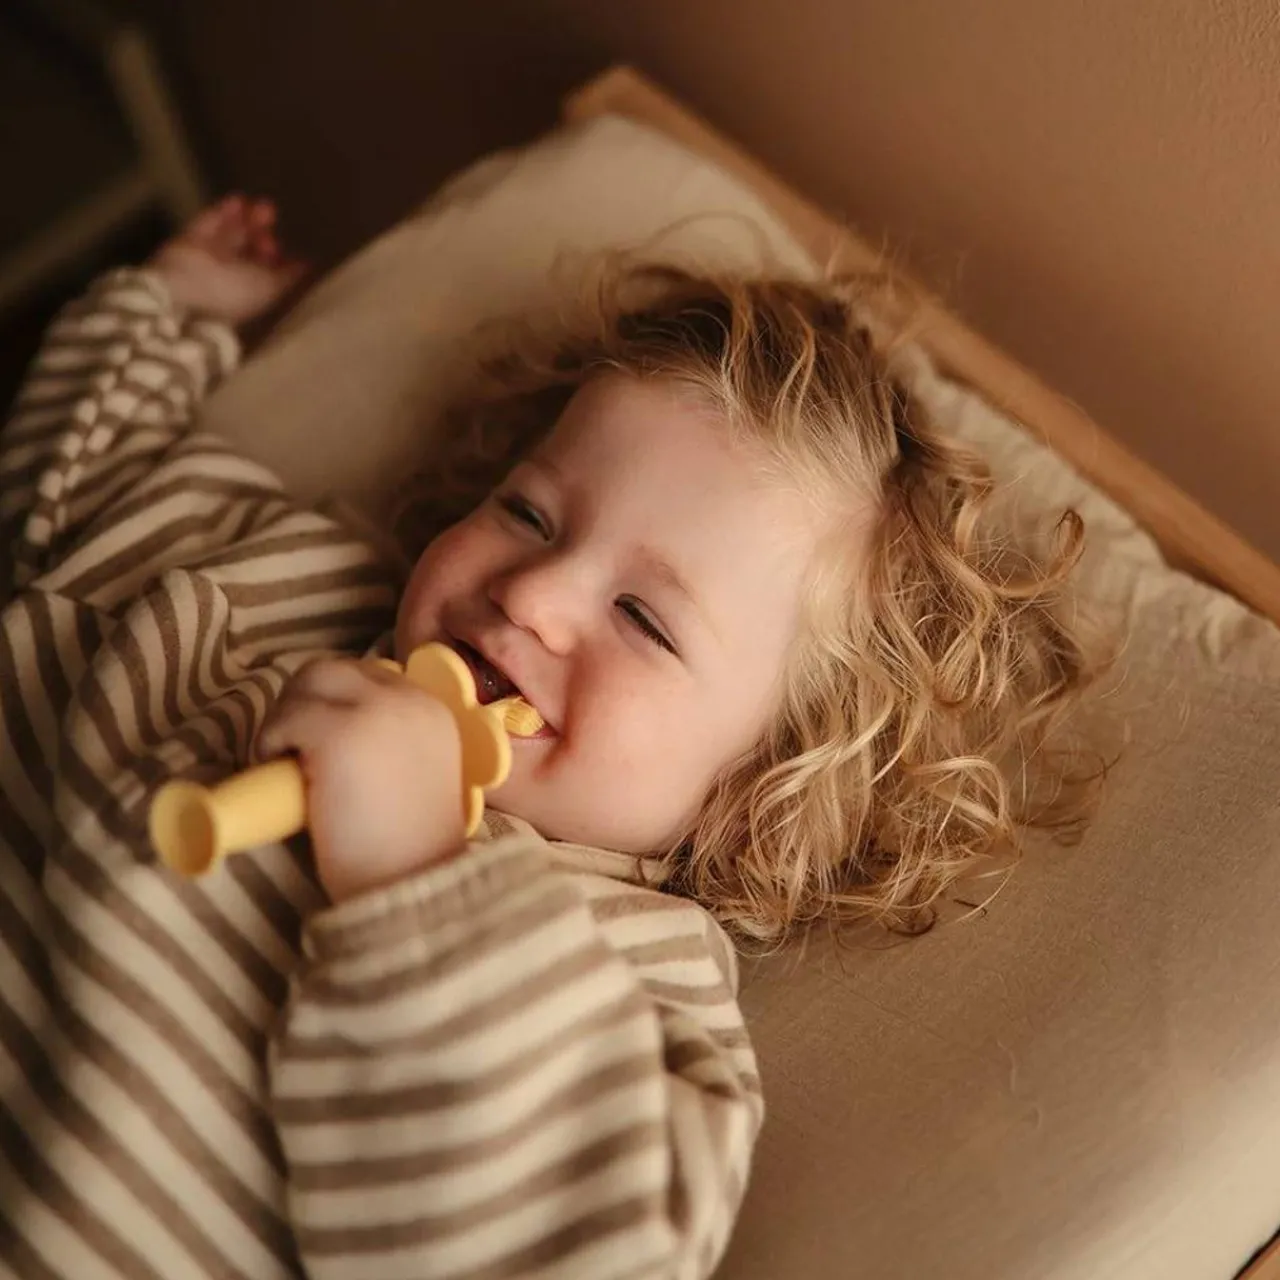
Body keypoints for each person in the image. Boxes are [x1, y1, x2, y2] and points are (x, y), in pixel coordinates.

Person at [0, 195, 1092, 1279]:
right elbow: (74, 491)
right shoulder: (279, 573)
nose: (534, 594)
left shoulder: (637, 977)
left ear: (759, 797)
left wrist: (412, 870)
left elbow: (559, 1245)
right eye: (527, 513)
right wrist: (164, 309)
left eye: (644, 619)